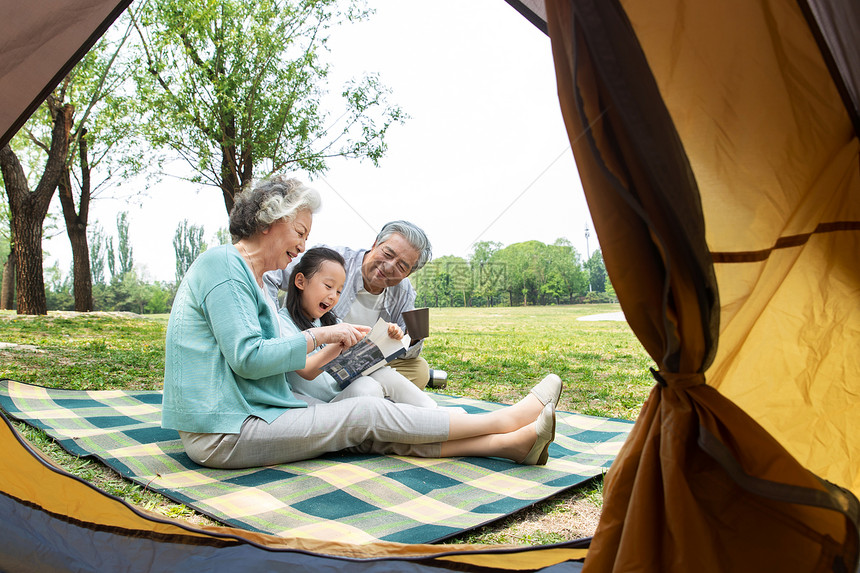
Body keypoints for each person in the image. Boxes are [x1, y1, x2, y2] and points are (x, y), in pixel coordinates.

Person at [162, 174, 561, 469]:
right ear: (268, 220)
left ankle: (512, 443)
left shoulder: (251, 278)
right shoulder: (224, 263)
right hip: (225, 429)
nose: (302, 245)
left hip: (255, 409)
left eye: (403, 266)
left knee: (370, 424)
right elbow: (248, 357)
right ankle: (506, 420)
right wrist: (323, 334)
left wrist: (393, 338)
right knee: (364, 415)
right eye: (299, 232)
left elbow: (412, 344)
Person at [264, 220, 436, 390]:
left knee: (419, 369)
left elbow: (409, 349)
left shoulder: (404, 291)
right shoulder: (333, 261)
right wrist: (273, 325)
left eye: (402, 266)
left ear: (408, 274)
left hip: (358, 363)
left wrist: (410, 336)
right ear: (376, 243)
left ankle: (366, 394)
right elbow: (270, 273)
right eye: (388, 254)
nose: (389, 266)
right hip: (313, 352)